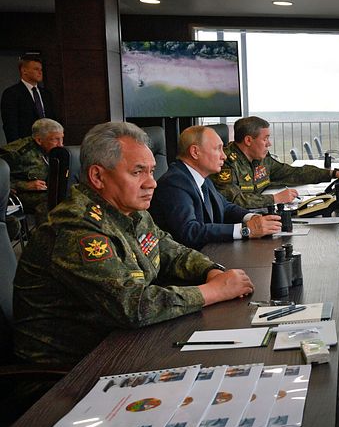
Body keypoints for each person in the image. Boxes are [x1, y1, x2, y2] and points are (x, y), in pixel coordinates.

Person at [12, 122, 255, 365]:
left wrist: (211, 271)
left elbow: (170, 251)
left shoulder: (132, 211)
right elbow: (131, 305)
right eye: (138, 172)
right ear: (97, 176)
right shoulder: (75, 226)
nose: (152, 183)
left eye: (151, 171)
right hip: (68, 373)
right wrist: (213, 291)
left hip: (121, 347)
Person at [150, 126, 282, 249]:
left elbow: (225, 207)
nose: (224, 156)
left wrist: (252, 218)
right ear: (195, 152)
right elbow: (190, 231)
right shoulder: (175, 183)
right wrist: (246, 230)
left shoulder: (201, 177)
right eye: (217, 149)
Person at [210, 116, 339, 209]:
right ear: (248, 140)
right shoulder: (226, 162)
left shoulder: (261, 159)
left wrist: (332, 173)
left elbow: (292, 173)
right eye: (265, 138)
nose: (269, 144)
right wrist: (276, 198)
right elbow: (234, 200)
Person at [0, 118, 64, 217]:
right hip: (18, 194)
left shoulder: (55, 151)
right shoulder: (16, 153)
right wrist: (24, 185)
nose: (61, 145)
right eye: (55, 139)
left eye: (62, 138)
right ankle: (44, 231)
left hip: (46, 190)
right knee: (51, 200)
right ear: (39, 140)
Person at [2, 56, 57, 142]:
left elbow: (53, 119)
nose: (40, 72)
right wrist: (16, 148)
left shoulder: (46, 94)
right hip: (25, 145)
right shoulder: (12, 93)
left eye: (41, 69)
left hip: (47, 142)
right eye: (36, 69)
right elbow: (10, 124)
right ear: (24, 71)